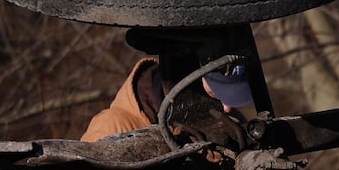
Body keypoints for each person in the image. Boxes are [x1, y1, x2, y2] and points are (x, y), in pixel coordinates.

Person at [82, 58, 254, 142]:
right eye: (216, 93)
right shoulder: (110, 129)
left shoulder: (227, 118)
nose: (228, 108)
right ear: (190, 77)